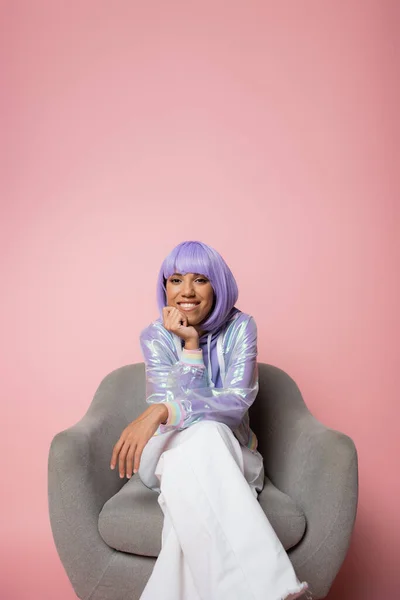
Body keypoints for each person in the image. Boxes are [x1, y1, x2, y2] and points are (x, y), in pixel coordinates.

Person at [110, 240, 309, 600]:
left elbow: (234, 403)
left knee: (209, 436)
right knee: (201, 433)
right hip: (167, 454)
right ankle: (274, 590)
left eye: (200, 279)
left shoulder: (241, 328)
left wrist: (163, 406)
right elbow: (176, 427)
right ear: (164, 287)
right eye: (175, 280)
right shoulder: (155, 336)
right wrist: (188, 348)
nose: (186, 291)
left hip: (232, 454)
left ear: (217, 285)